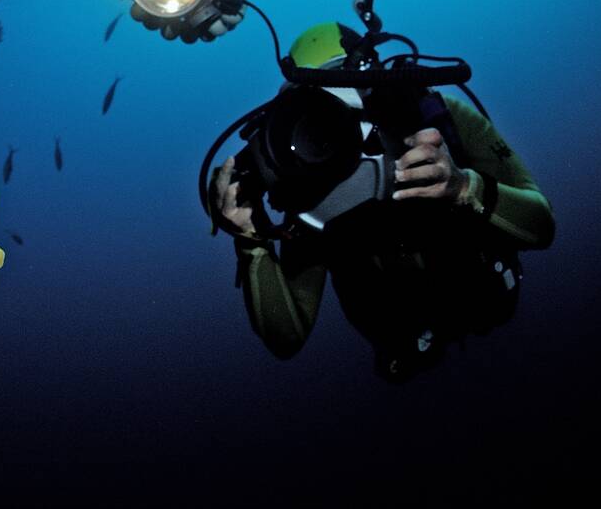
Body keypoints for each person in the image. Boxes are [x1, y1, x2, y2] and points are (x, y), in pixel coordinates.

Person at [214, 22, 556, 381]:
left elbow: (542, 226)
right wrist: (250, 242)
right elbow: (287, 339)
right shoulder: (307, 190)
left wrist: (462, 187)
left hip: (486, 297)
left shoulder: (437, 119)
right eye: (320, 102)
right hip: (405, 345)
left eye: (348, 90)